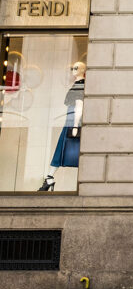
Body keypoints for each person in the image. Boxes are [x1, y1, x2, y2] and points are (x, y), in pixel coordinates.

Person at [39, 61, 86, 192]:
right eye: (73, 68)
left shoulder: (80, 85)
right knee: (62, 150)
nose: (74, 70)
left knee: (70, 151)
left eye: (77, 68)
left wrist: (76, 125)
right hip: (71, 122)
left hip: (73, 123)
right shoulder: (77, 85)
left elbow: (79, 106)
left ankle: (49, 178)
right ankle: (49, 178)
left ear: (82, 70)